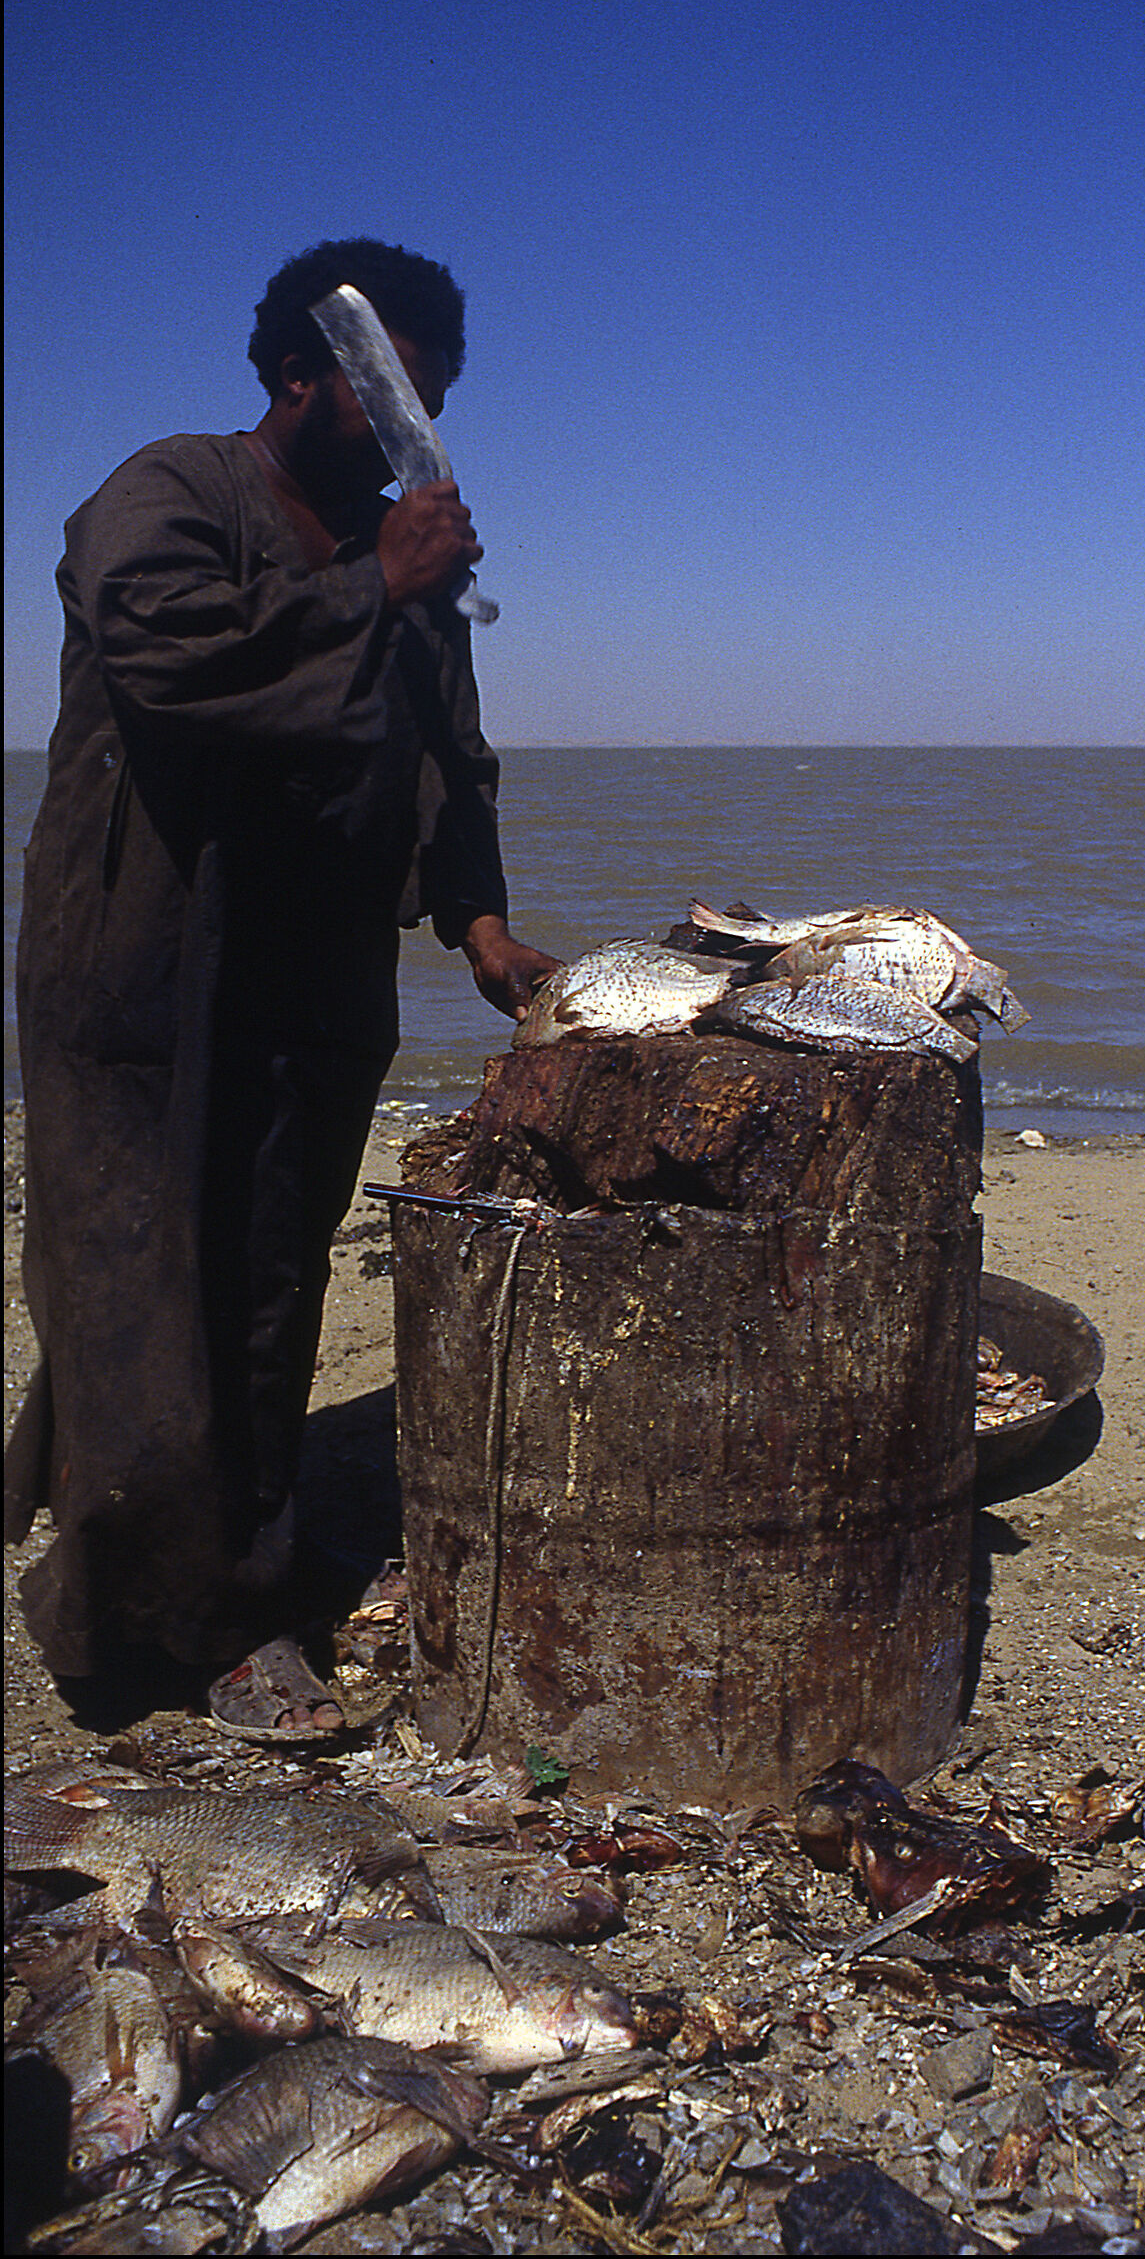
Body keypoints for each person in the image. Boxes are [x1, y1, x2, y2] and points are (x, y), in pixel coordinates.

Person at [4, 238, 557, 1725]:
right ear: (300, 376)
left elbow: (448, 753)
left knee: (262, 1274)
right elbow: (172, 666)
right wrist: (376, 581)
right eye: (381, 398)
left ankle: (238, 1571)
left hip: (313, 973)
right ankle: (156, 1622)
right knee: (131, 1275)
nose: (402, 433)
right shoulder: (168, 492)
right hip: (141, 963)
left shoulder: (406, 553)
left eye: (425, 405)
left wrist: (480, 925)